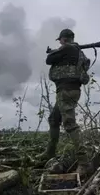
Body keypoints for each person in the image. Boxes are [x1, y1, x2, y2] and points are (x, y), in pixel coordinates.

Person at [37, 28, 89, 177]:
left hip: (66, 91)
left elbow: (49, 60)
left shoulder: (67, 48)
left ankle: (84, 163)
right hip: (70, 90)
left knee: (70, 125)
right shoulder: (77, 52)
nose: (59, 42)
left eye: (60, 40)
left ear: (64, 39)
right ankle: (50, 153)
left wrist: (57, 50)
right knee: (54, 119)